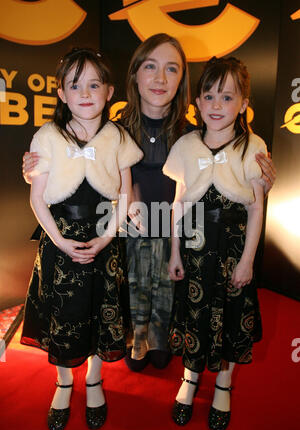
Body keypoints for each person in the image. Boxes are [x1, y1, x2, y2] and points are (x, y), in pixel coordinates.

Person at [22, 35, 276, 374]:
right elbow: (74, 170)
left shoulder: (197, 133)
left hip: (183, 239)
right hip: (122, 236)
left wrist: (261, 180)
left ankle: (164, 337)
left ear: (184, 81)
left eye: (172, 69)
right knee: (130, 308)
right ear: (133, 75)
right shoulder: (111, 130)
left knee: (168, 336)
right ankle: (133, 337)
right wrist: (34, 171)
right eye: (150, 67)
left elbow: (228, 182)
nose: (160, 79)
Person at [20, 47, 143, 430]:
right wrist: (58, 241)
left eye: (95, 84)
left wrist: (108, 239)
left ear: (109, 92)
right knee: (64, 316)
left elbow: (124, 193)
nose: (85, 93)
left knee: (98, 312)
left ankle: (93, 379)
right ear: (61, 93)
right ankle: (62, 382)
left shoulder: (118, 136)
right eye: (75, 85)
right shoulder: (47, 135)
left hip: (104, 238)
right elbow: (37, 197)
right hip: (60, 242)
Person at [163, 56, 267, 430]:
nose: (217, 105)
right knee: (195, 315)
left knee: (231, 315)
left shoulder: (252, 145)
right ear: (197, 103)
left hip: (234, 249)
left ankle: (223, 383)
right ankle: (190, 379)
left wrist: (247, 261)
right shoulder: (186, 145)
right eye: (209, 96)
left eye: (227, 97)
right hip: (193, 249)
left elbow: (256, 209)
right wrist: (174, 251)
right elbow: (177, 203)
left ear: (243, 103)